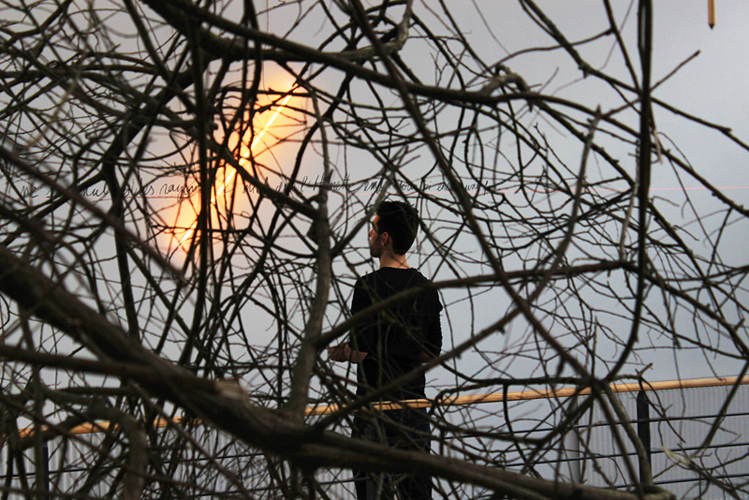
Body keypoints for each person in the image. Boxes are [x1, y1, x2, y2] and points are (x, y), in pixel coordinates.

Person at [329, 200, 443, 500]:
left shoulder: (367, 287)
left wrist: (337, 353)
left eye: (374, 227)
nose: (369, 232)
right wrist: (401, 354)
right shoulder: (426, 289)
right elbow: (432, 352)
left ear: (385, 238)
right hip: (414, 410)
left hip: (374, 410)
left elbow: (360, 351)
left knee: (373, 494)